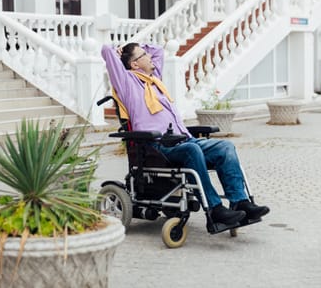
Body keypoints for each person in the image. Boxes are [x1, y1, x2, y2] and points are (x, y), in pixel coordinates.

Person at [101, 42, 270, 228]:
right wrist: (118, 49)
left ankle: (240, 202)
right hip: (157, 146)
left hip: (184, 139)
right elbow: (106, 51)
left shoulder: (154, 80)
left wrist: (142, 47)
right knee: (192, 150)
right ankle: (215, 209)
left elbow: (157, 50)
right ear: (134, 64)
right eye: (144, 55)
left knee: (225, 147)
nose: (150, 57)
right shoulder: (127, 83)